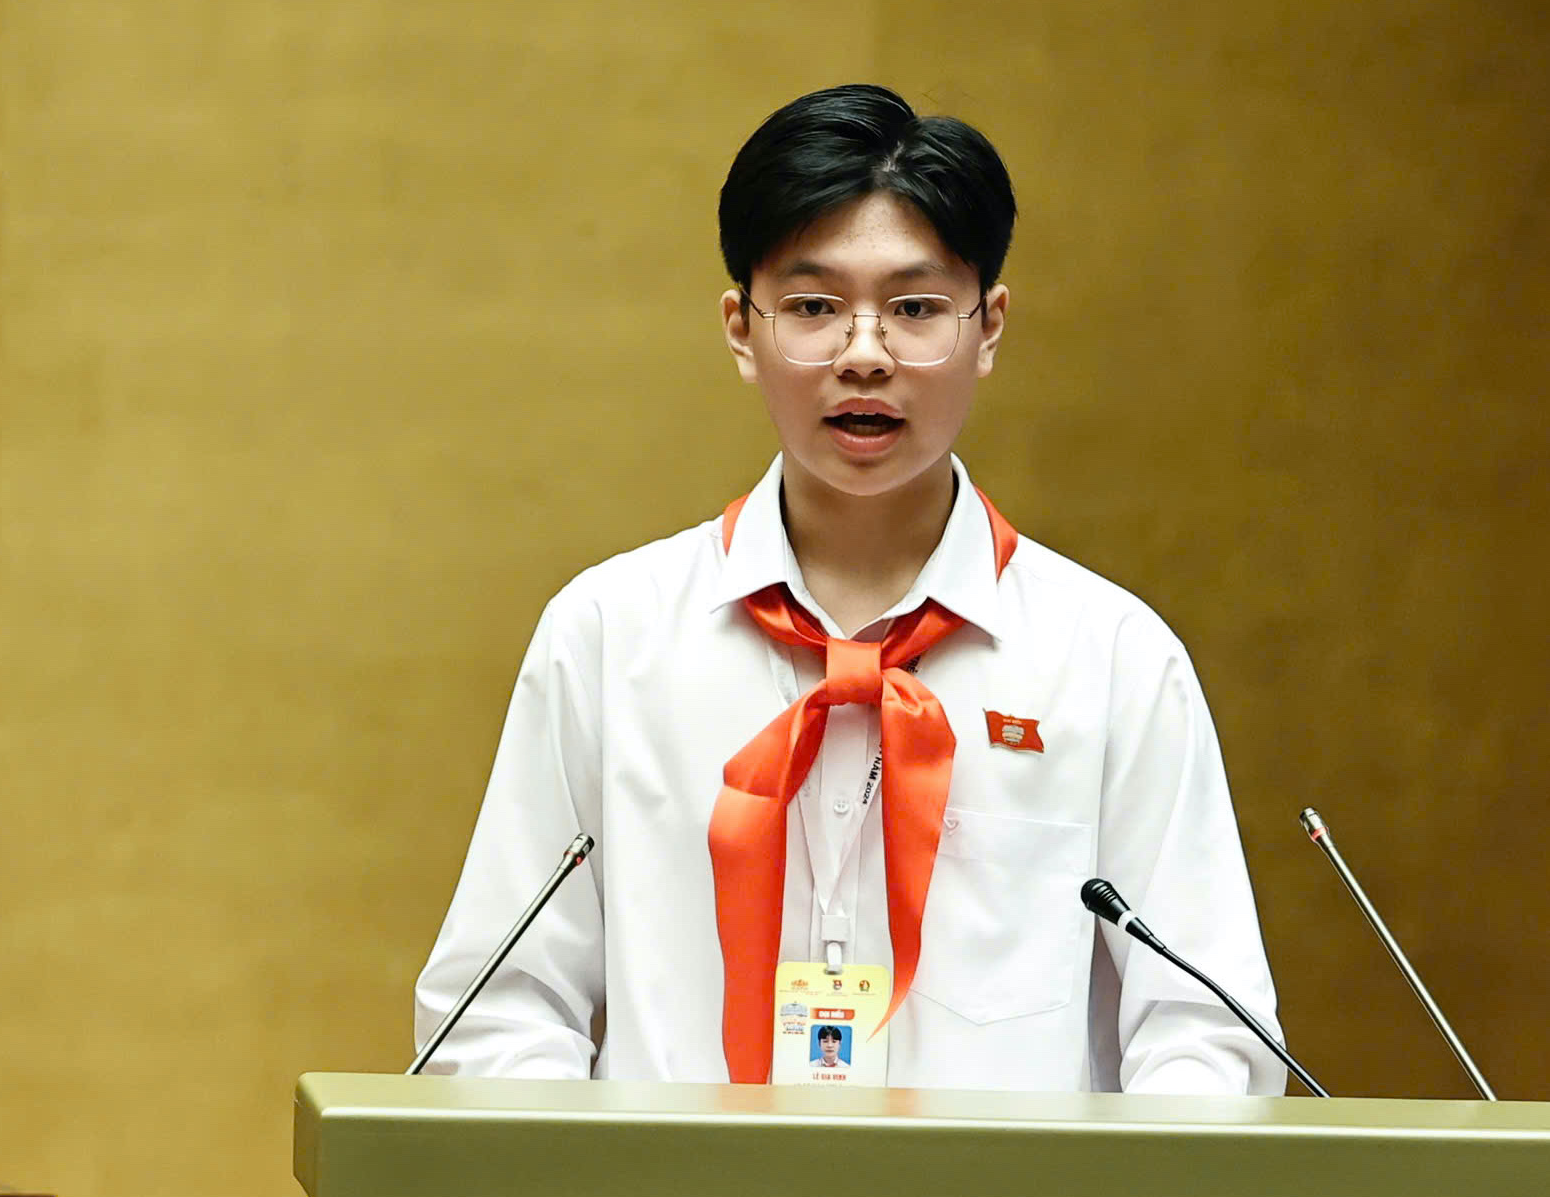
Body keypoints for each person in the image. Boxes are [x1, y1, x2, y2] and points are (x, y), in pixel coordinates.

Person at [414, 83, 1286, 1095]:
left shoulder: (1113, 660)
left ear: (989, 327)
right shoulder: (609, 637)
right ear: (740, 329)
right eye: (814, 308)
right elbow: (501, 1011)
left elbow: (1208, 1041)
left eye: (915, 309)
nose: (864, 355)